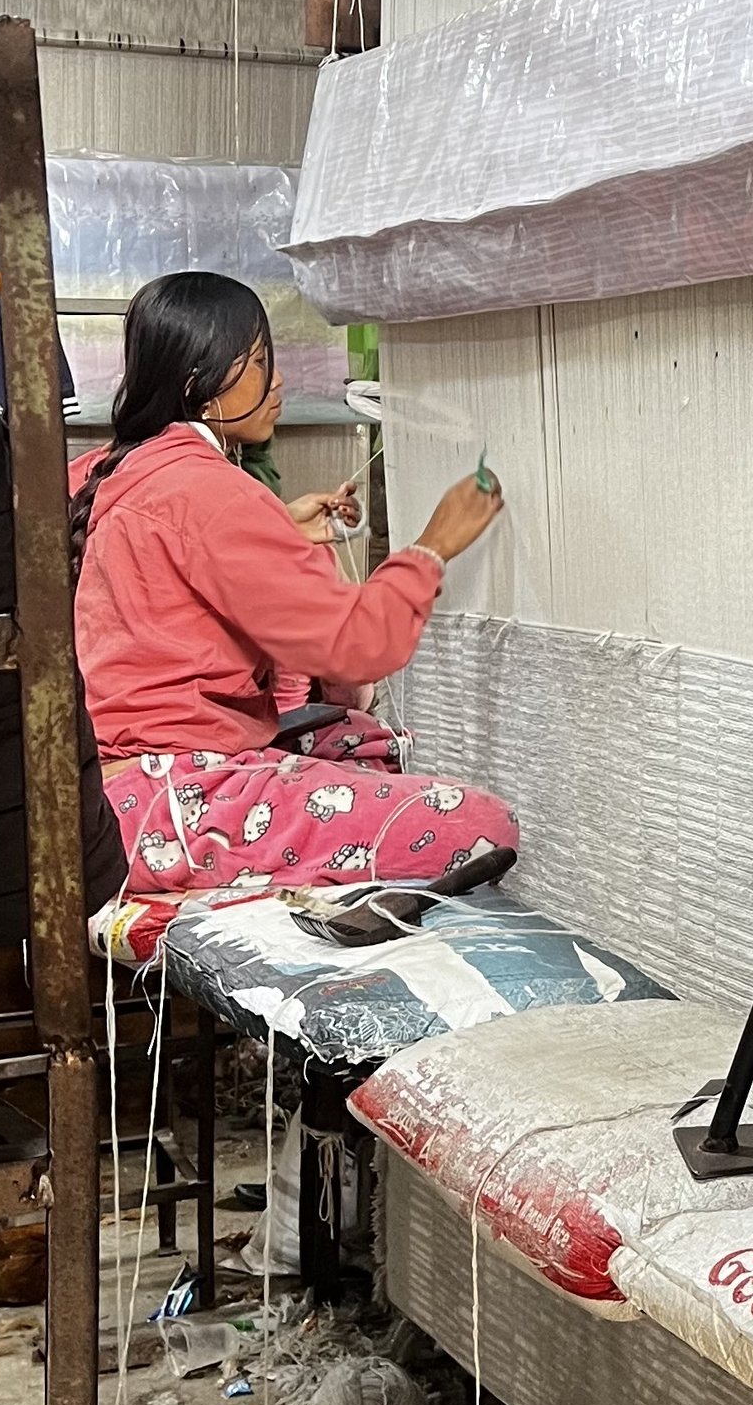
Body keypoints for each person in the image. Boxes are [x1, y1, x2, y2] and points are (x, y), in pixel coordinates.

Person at [70, 271, 516, 919]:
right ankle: (284, 893)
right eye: (258, 363)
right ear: (200, 383)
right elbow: (357, 645)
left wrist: (282, 528)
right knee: (480, 826)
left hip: (100, 793)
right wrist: (433, 545)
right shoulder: (210, 493)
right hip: (166, 809)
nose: (276, 381)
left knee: (365, 742)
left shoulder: (105, 473)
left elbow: (176, 578)